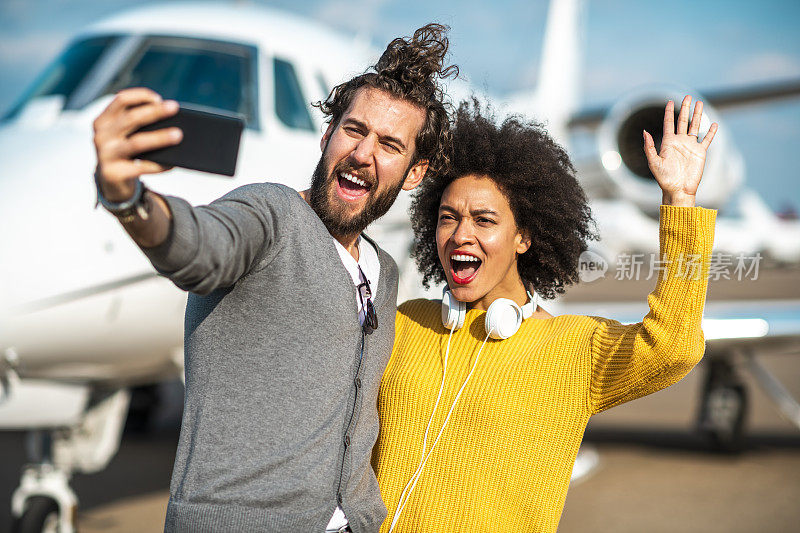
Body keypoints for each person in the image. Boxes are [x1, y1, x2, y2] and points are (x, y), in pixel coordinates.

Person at [92, 24, 456, 533]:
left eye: (390, 144)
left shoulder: (383, 271)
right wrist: (130, 200)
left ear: (414, 173)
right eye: (354, 130)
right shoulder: (271, 214)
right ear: (328, 135)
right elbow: (200, 246)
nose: (363, 154)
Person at [372, 96, 719, 532]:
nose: (461, 235)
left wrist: (680, 200)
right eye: (448, 218)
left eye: (484, 220)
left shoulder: (572, 350)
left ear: (523, 237)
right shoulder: (404, 322)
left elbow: (674, 346)